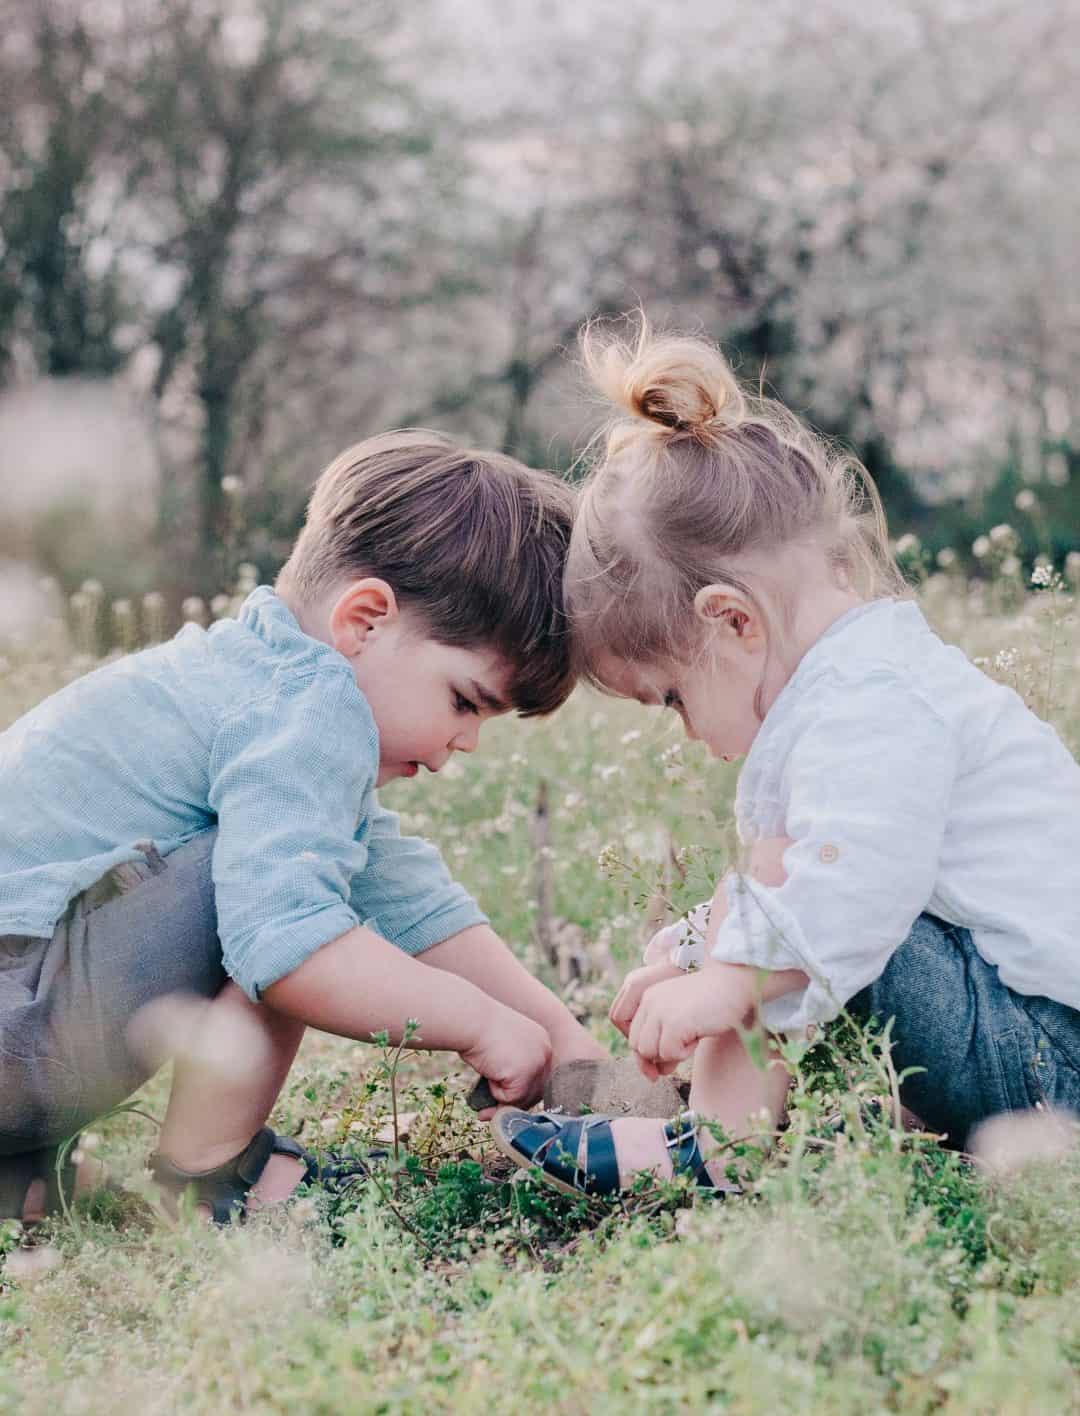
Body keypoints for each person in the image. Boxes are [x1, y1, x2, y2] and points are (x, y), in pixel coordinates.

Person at [491, 316, 1080, 1197]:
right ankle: (783, 1124)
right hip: (1025, 1039)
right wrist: (699, 953)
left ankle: (709, 1158)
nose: (687, 732)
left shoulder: (872, 703)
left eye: (673, 699)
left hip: (1052, 1067)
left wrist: (722, 977)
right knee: (763, 914)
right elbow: (839, 879)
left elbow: (846, 893)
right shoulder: (860, 686)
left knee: (771, 912)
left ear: (732, 620)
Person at [0, 429, 605, 1225]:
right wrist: (481, 1026)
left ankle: (23, 1183)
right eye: (464, 702)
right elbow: (291, 947)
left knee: (309, 868)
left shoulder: (258, 680)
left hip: (23, 1019)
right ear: (364, 619)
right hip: (19, 1027)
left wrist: (560, 1035)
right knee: (292, 902)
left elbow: (413, 899)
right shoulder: (305, 700)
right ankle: (217, 1179)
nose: (464, 745)